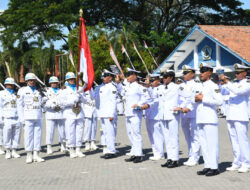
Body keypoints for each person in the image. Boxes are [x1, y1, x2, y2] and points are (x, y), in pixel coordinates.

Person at [220, 63, 250, 173]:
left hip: (241, 116)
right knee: (234, 141)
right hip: (231, 115)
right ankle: (237, 162)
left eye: (238, 73)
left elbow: (238, 92)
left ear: (244, 73)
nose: (236, 75)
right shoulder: (234, 84)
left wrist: (227, 82)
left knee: (242, 141)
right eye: (235, 73)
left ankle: (246, 163)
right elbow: (229, 96)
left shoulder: (247, 83)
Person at [116, 68, 150, 163]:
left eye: (129, 75)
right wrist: (119, 83)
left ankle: (139, 154)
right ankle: (134, 153)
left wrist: (139, 104)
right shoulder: (129, 86)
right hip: (128, 113)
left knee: (136, 134)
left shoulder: (138, 87)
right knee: (130, 134)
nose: (127, 77)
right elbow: (122, 92)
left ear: (134, 76)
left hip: (135, 113)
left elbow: (147, 97)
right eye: (127, 75)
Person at [195, 63, 223, 176]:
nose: (201, 73)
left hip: (210, 118)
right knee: (204, 144)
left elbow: (220, 101)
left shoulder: (213, 86)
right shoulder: (201, 85)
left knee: (211, 144)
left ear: (210, 73)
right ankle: (207, 165)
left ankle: (214, 167)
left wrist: (204, 98)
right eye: (200, 71)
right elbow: (198, 99)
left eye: (203, 71)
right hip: (201, 118)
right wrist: (197, 99)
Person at [17, 73, 46, 163]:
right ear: (26, 81)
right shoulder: (22, 91)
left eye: (33, 80)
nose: (32, 82)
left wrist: (44, 102)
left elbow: (42, 105)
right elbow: (19, 106)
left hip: (38, 116)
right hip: (28, 117)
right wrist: (22, 119)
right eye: (30, 80)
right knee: (28, 136)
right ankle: (29, 155)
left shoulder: (39, 91)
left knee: (38, 136)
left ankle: (36, 154)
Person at [155, 70, 181, 168]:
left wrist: (181, 106)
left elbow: (187, 97)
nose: (163, 79)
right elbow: (152, 95)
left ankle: (175, 159)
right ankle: (170, 158)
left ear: (171, 77)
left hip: (172, 115)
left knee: (173, 137)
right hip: (163, 115)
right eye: (163, 77)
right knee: (167, 138)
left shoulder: (177, 87)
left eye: (165, 77)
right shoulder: (160, 88)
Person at [92, 69, 118, 159]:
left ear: (110, 77)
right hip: (103, 113)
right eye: (103, 77)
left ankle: (112, 151)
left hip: (109, 114)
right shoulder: (102, 87)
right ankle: (107, 150)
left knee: (110, 133)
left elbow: (113, 102)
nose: (103, 78)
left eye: (105, 76)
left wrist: (112, 114)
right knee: (106, 133)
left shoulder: (112, 87)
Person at [178, 65, 201, 166]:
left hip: (193, 113)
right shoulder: (181, 85)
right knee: (187, 136)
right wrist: (179, 107)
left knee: (195, 136)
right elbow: (179, 99)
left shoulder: (197, 85)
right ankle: (190, 154)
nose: (184, 75)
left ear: (192, 74)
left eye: (186, 73)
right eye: (183, 73)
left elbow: (193, 99)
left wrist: (186, 107)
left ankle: (195, 157)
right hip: (183, 114)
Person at [61, 72, 86, 158]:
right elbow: (61, 103)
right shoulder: (64, 91)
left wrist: (80, 96)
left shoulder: (78, 89)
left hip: (79, 112)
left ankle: (78, 149)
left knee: (79, 131)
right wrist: (72, 102)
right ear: (67, 80)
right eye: (70, 79)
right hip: (69, 113)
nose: (72, 81)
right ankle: (71, 150)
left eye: (73, 79)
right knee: (70, 132)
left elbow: (85, 100)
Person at [144, 74, 165, 161]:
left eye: (153, 81)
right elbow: (148, 97)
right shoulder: (151, 89)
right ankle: (155, 152)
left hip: (156, 115)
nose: (151, 83)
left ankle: (160, 153)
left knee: (157, 135)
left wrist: (148, 105)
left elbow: (156, 101)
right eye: (151, 81)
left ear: (158, 81)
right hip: (149, 115)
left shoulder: (161, 88)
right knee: (151, 135)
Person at [0, 78, 21, 159]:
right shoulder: (1, 94)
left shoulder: (16, 94)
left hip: (17, 117)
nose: (10, 85)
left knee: (16, 135)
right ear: (5, 85)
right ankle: (8, 151)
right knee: (7, 135)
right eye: (9, 84)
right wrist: (1, 118)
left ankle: (14, 150)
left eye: (12, 84)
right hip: (7, 118)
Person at [44, 76, 66, 155]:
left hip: (60, 113)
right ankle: (49, 146)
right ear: (50, 83)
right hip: (51, 114)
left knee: (62, 131)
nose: (54, 84)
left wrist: (61, 106)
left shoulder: (62, 91)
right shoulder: (46, 91)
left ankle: (63, 145)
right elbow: (44, 102)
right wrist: (51, 105)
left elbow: (64, 101)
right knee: (50, 131)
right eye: (53, 83)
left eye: (56, 83)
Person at [83, 87, 98, 151]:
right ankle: (87, 143)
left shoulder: (94, 89)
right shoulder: (83, 89)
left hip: (94, 110)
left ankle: (93, 142)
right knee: (87, 128)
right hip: (87, 111)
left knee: (94, 127)